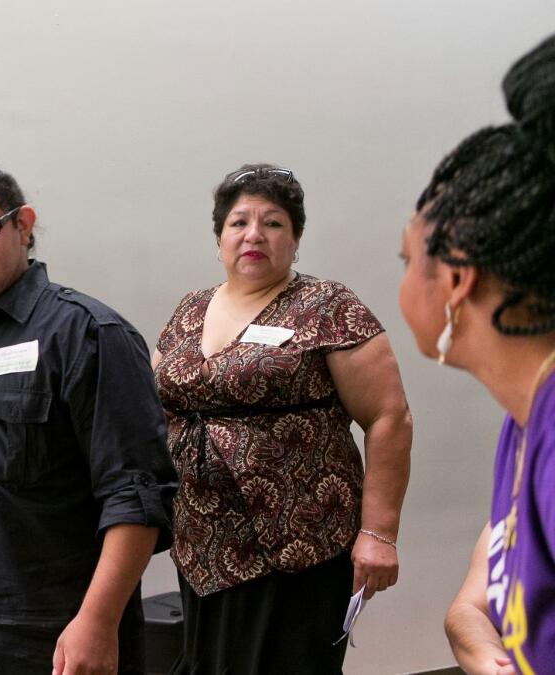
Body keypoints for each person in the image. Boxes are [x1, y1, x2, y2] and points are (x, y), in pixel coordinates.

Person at [0, 157, 177, 675]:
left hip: (52, 644)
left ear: (23, 225)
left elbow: (136, 495)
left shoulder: (88, 335)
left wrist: (98, 621)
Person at [151, 164, 413, 673]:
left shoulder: (327, 306)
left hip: (298, 547)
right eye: (238, 222)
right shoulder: (190, 309)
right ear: (219, 238)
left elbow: (389, 417)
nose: (253, 234)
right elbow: (154, 405)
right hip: (202, 547)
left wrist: (379, 533)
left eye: (272, 223)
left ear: (295, 239)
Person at [398, 33, 555, 675]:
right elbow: (481, 593)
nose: (402, 282)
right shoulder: (523, 422)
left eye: (408, 261)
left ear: (458, 281)